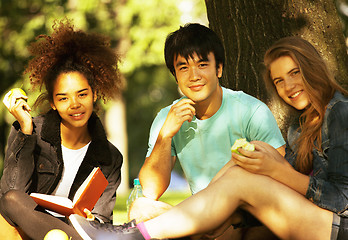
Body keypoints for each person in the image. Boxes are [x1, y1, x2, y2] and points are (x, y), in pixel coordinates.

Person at [68, 36, 348, 240]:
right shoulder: (302, 126)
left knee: (247, 168)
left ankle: (133, 236)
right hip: (292, 218)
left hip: (335, 227)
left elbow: (341, 199)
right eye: (279, 81)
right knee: (250, 154)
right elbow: (151, 188)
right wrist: (167, 135)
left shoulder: (339, 112)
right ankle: (153, 228)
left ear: (219, 69)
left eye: (295, 73)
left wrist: (275, 170)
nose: (288, 86)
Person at [0, 18, 123, 240]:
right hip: (27, 229)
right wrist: (26, 131)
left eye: (82, 94)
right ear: (53, 103)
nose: (74, 104)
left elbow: (102, 221)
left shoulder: (110, 157)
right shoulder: (30, 132)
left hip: (74, 231)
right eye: (63, 98)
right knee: (11, 200)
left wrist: (91, 219)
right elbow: (10, 197)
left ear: (94, 95)